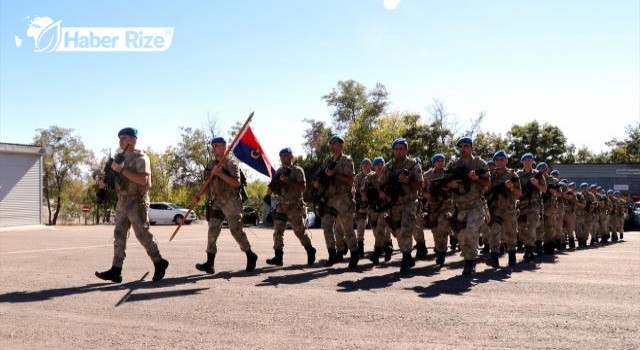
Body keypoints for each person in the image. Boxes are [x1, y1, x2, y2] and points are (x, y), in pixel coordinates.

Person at [95, 127, 168, 283]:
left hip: (137, 201)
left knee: (142, 234)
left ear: (133, 140)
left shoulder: (141, 158)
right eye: (119, 138)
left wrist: (122, 170)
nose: (120, 141)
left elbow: (144, 181)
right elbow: (114, 179)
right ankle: (116, 270)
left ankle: (159, 262)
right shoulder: (118, 158)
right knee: (119, 235)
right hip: (122, 201)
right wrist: (104, 185)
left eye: (124, 138)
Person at [195, 137, 258, 274]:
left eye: (216, 145)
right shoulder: (211, 165)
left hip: (231, 202)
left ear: (224, 147)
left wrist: (220, 173)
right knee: (212, 231)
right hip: (217, 202)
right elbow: (206, 183)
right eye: (212, 146)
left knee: (236, 231)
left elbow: (236, 183)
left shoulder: (231, 164)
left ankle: (250, 255)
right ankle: (210, 263)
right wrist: (198, 196)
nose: (213, 148)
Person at [444, 137, 490, 275]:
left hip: (476, 204)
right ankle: (468, 257)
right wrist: (450, 185)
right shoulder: (454, 165)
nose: (463, 149)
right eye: (461, 146)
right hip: (460, 206)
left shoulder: (479, 163)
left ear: (471, 148)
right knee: (462, 236)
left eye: (466, 146)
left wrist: (477, 179)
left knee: (470, 230)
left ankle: (470, 262)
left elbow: (488, 183)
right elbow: (445, 184)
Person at [314, 135, 359, 269]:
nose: (332, 145)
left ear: (341, 145)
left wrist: (334, 175)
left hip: (344, 198)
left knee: (347, 229)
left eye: (335, 143)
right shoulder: (327, 161)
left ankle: (354, 254)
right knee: (326, 225)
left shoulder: (346, 160)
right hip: (329, 199)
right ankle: (332, 254)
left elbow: (351, 181)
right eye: (331, 143)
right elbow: (321, 176)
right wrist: (317, 185)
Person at [378, 138, 423, 272]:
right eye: (396, 149)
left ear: (406, 149)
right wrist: (382, 193)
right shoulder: (388, 166)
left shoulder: (413, 164)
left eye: (401, 148)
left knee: (405, 230)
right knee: (397, 232)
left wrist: (408, 181)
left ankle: (406, 257)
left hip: (409, 202)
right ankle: (408, 257)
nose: (399, 151)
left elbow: (420, 184)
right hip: (394, 204)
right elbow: (380, 184)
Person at [266, 148, 316, 266]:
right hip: (282, 205)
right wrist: (268, 194)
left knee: (299, 231)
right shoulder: (278, 171)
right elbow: (273, 186)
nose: (284, 158)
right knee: (277, 231)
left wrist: (287, 180)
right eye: (282, 156)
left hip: (295, 205)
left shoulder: (297, 170)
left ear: (291, 156)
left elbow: (303, 188)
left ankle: (310, 250)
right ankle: (278, 257)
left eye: (286, 155)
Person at [485, 150, 521, 267]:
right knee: (494, 234)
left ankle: (512, 257)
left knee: (510, 234)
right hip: (494, 209)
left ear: (506, 160)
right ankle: (494, 258)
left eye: (502, 159)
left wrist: (511, 188)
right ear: (494, 161)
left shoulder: (513, 175)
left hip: (509, 209)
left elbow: (519, 193)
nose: (500, 161)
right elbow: (485, 191)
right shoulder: (490, 175)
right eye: (497, 159)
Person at [422, 153, 454, 267]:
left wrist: (448, 189)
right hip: (433, 207)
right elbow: (422, 190)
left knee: (443, 227)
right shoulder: (427, 175)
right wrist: (427, 195)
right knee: (435, 231)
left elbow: (455, 189)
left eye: (442, 160)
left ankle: (442, 254)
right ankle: (439, 249)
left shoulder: (448, 173)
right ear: (434, 162)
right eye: (438, 160)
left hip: (446, 206)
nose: (440, 162)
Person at [516, 153, 547, 263]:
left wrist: (537, 184)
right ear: (522, 162)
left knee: (532, 226)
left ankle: (529, 250)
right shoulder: (517, 174)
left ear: (533, 161)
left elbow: (544, 190)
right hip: (522, 205)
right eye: (525, 160)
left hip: (534, 205)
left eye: (530, 159)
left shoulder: (538, 174)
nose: (528, 161)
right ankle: (528, 244)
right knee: (521, 228)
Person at [354, 158, 374, 257]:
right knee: (361, 226)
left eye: (367, 164)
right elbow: (355, 191)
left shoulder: (375, 175)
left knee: (377, 226)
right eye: (364, 164)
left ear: (371, 165)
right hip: (362, 205)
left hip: (374, 206)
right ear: (361, 166)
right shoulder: (358, 177)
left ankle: (385, 245)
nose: (366, 166)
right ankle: (360, 246)